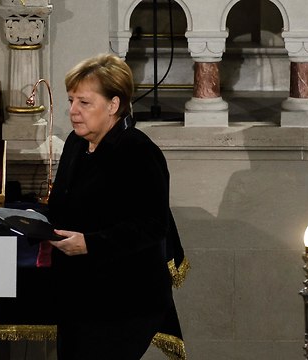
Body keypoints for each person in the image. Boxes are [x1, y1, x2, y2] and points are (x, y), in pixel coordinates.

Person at [46, 53, 181, 360]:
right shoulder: (75, 144)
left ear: (113, 105)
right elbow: (63, 205)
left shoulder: (139, 152)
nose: (73, 111)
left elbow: (152, 225)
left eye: (84, 102)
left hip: (124, 299)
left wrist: (90, 244)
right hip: (79, 293)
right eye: (71, 101)